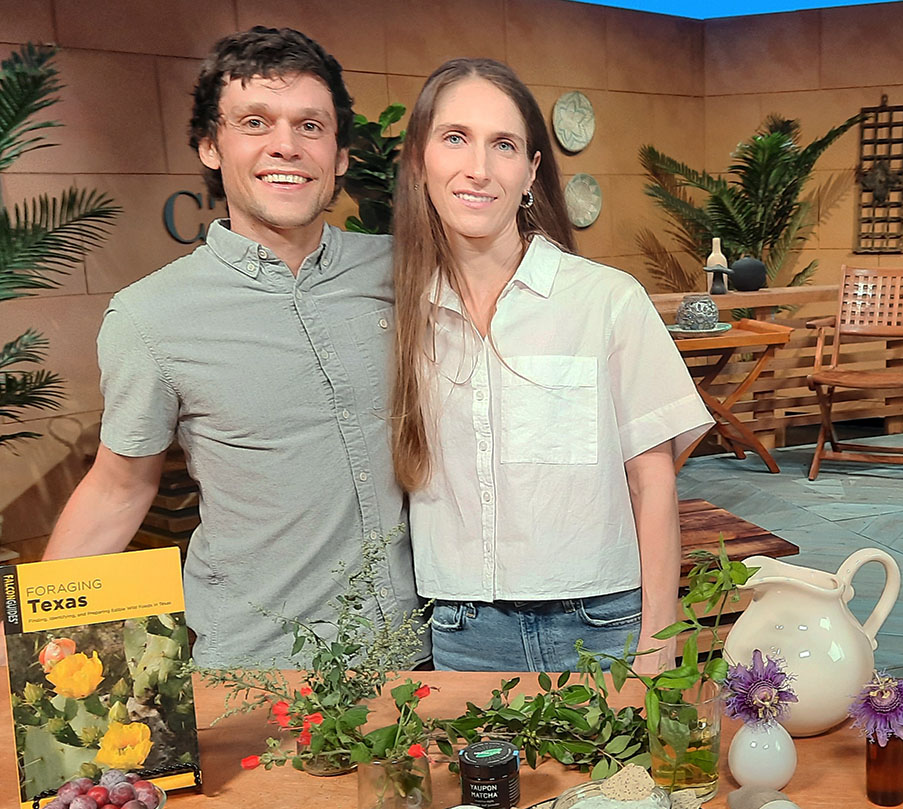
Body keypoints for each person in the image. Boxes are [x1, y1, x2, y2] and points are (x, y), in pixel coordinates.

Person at [43, 27, 421, 667]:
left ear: (339, 154)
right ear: (210, 146)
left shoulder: (402, 272)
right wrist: (37, 637)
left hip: (426, 652)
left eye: (310, 126)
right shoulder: (151, 316)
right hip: (268, 670)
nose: (286, 146)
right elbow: (118, 488)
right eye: (255, 122)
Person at [391, 58, 711, 675]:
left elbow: (654, 484)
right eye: (455, 138)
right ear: (418, 161)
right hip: (462, 629)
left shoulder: (605, 300)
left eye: (504, 145)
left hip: (603, 625)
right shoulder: (399, 313)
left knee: (615, 778)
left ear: (532, 170)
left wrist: (657, 644)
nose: (478, 169)